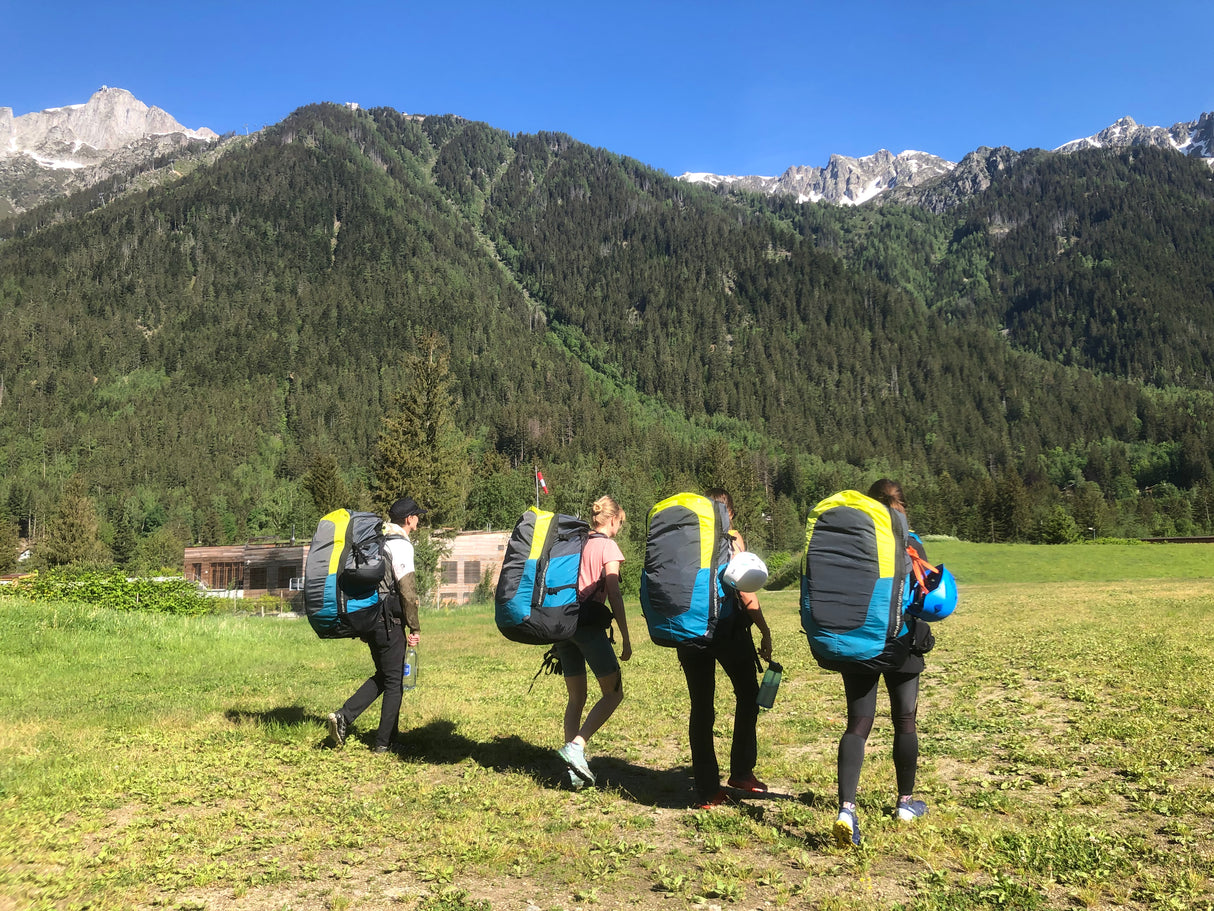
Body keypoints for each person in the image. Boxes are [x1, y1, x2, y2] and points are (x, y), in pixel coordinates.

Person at [832, 478, 934, 847]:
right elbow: (931, 597)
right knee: (905, 720)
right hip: (903, 643)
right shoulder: (911, 540)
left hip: (859, 640)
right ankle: (905, 803)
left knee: (857, 724)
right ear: (903, 505)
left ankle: (846, 809)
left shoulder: (852, 542)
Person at [677, 488, 774, 808]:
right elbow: (746, 593)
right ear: (729, 513)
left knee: (701, 708)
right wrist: (763, 628)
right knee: (748, 695)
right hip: (727, 630)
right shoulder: (732, 539)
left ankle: (707, 790)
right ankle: (741, 772)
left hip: (689, 631)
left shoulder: (687, 540)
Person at [327, 496, 424, 753]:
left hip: (371, 619)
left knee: (384, 676)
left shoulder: (379, 541)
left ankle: (344, 717)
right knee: (394, 681)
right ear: (409, 519)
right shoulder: (401, 546)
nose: (418, 520)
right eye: (417, 516)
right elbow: (406, 590)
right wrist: (414, 627)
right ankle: (384, 743)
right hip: (389, 622)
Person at [554, 495, 633, 789]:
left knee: (576, 698)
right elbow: (613, 591)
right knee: (613, 694)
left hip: (563, 625)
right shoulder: (607, 546)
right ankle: (576, 747)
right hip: (588, 627)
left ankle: (574, 769)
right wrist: (625, 635)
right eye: (619, 524)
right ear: (612, 520)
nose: (619, 529)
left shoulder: (576, 542)